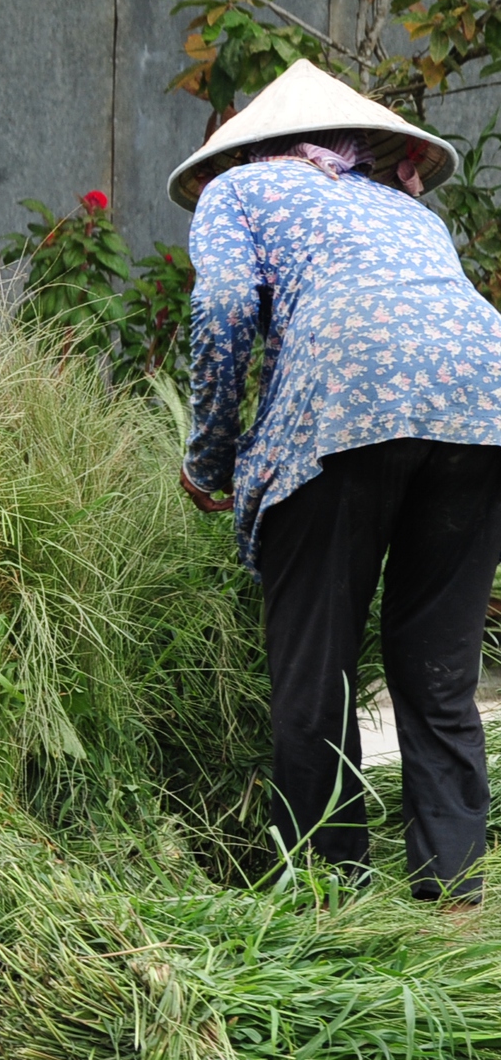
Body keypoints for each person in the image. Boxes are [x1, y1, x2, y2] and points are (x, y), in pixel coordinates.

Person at [175, 59, 498, 905]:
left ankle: (329, 892)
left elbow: (220, 310)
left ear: (247, 147)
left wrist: (210, 458)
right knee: (438, 667)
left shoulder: (238, 193)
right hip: (486, 404)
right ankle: (456, 890)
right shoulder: (405, 207)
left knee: (317, 666)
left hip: (348, 405)